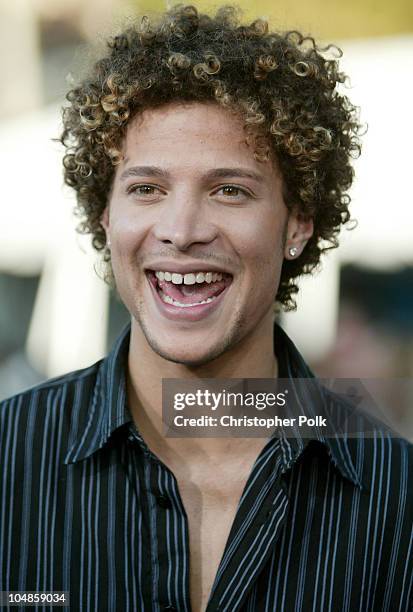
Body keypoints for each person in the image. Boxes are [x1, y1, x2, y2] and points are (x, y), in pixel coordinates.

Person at [1, 5, 412, 611]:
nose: (182, 229)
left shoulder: (396, 497)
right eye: (147, 188)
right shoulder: (8, 462)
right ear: (105, 215)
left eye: (230, 190)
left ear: (298, 222)